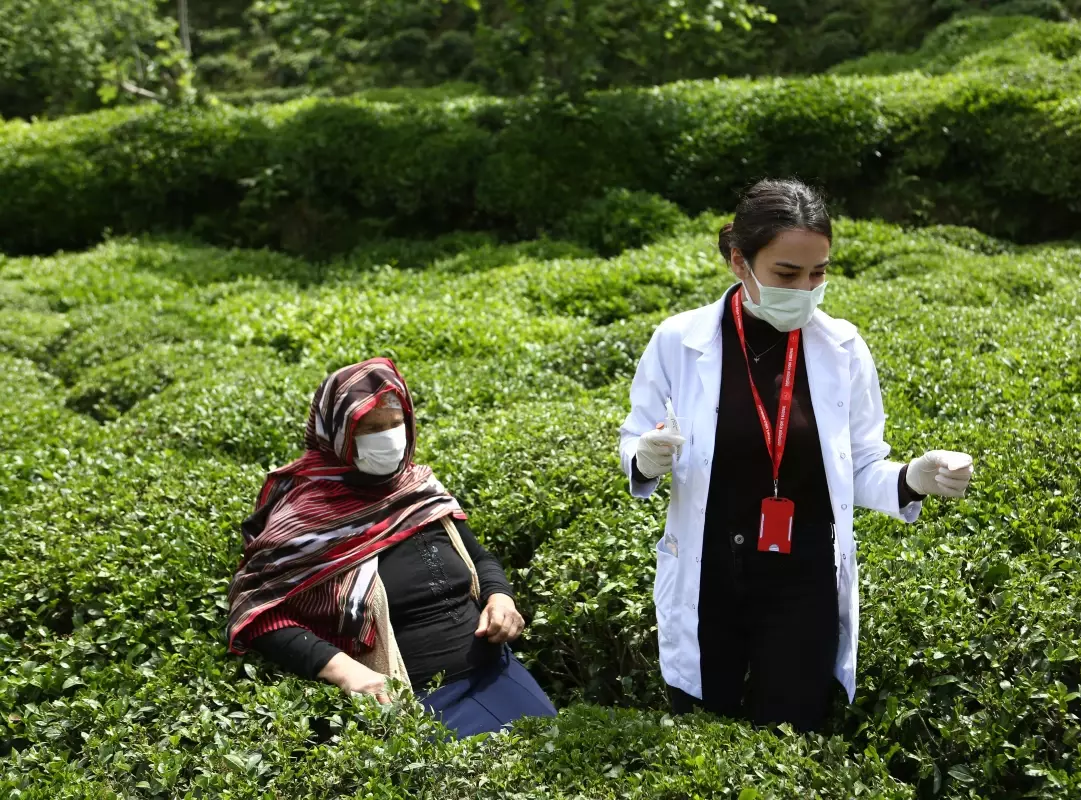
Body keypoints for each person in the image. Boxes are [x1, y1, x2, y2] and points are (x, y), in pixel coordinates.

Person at [619, 179, 975, 731]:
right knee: (699, 730)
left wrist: (912, 478)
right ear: (740, 261)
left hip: (803, 576)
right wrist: (644, 457)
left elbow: (857, 467)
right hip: (709, 568)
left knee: (793, 734)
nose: (805, 289)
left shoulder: (844, 348)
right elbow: (634, 439)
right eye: (787, 274)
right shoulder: (678, 340)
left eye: (819, 273)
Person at [226, 357, 556, 738]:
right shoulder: (305, 514)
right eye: (370, 428)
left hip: (498, 673)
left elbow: (479, 559)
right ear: (337, 434)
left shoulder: (419, 489)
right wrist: (343, 670)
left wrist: (500, 597)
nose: (388, 437)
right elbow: (258, 611)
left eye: (395, 423)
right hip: (412, 696)